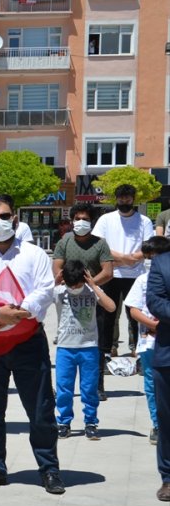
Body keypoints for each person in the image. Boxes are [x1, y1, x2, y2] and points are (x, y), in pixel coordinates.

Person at [0, 196, 65, 495]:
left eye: (4, 216)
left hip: (28, 341)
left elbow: (45, 289)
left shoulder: (34, 254)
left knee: (40, 409)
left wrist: (19, 312)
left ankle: (49, 469)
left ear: (15, 220)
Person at [52, 203, 115, 395]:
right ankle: (65, 386)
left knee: (97, 342)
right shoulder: (64, 242)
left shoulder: (100, 243)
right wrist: (70, 283)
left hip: (94, 297)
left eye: (85, 219)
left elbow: (108, 271)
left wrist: (88, 285)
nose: (80, 222)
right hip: (69, 296)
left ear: (92, 221)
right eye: (77, 219)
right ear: (72, 221)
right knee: (70, 337)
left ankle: (97, 385)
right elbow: (57, 268)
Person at [53, 260, 116, 440]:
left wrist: (93, 285)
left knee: (89, 388)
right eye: (71, 285)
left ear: (85, 278)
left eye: (78, 285)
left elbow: (111, 306)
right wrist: (55, 282)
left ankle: (91, 422)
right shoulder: (59, 291)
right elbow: (41, 298)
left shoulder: (92, 291)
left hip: (89, 347)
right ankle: (64, 423)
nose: (74, 288)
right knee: (64, 388)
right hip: (65, 348)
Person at [92, 185, 153, 361]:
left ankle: (138, 351)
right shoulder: (105, 219)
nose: (124, 201)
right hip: (110, 274)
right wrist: (126, 258)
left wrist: (126, 259)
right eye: (121, 198)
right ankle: (107, 350)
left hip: (135, 277)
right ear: (116, 199)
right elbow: (100, 246)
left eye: (127, 198)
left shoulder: (144, 221)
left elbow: (147, 248)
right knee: (108, 315)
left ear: (133, 199)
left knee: (137, 315)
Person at [126, 236, 170, 446]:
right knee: (152, 385)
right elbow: (134, 310)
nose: (150, 261)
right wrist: (155, 326)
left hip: (165, 341)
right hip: (149, 342)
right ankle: (158, 423)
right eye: (147, 257)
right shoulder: (141, 280)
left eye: (154, 257)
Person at [144, 246, 170, 501]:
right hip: (168, 355)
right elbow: (155, 301)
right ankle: (168, 478)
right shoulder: (162, 263)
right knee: (167, 419)